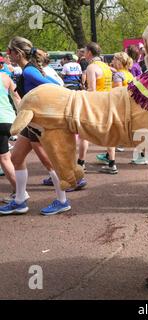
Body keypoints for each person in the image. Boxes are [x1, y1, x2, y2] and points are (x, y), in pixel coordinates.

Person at [0, 36, 71, 216]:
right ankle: (19, 201)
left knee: (49, 162)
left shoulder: (29, 72)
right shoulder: (27, 71)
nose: (8, 55)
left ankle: (62, 201)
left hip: (40, 123)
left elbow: (58, 87)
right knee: (16, 158)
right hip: (30, 122)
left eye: (9, 51)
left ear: (17, 53)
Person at [77, 42, 112, 173]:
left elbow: (92, 89)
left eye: (85, 52)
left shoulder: (92, 67)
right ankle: (112, 163)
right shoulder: (106, 66)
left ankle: (81, 163)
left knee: (83, 134)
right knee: (109, 133)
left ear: (90, 53)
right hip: (108, 103)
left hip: (96, 104)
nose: (83, 54)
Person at [97, 52, 134, 174]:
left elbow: (118, 93)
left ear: (118, 61)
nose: (112, 60)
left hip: (118, 108)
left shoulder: (118, 75)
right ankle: (109, 158)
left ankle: (112, 163)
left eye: (114, 59)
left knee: (110, 135)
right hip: (127, 107)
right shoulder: (129, 74)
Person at [0, 69, 21, 203]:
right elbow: (17, 98)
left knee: (4, 159)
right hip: (9, 119)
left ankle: (20, 193)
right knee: (6, 157)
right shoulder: (5, 77)